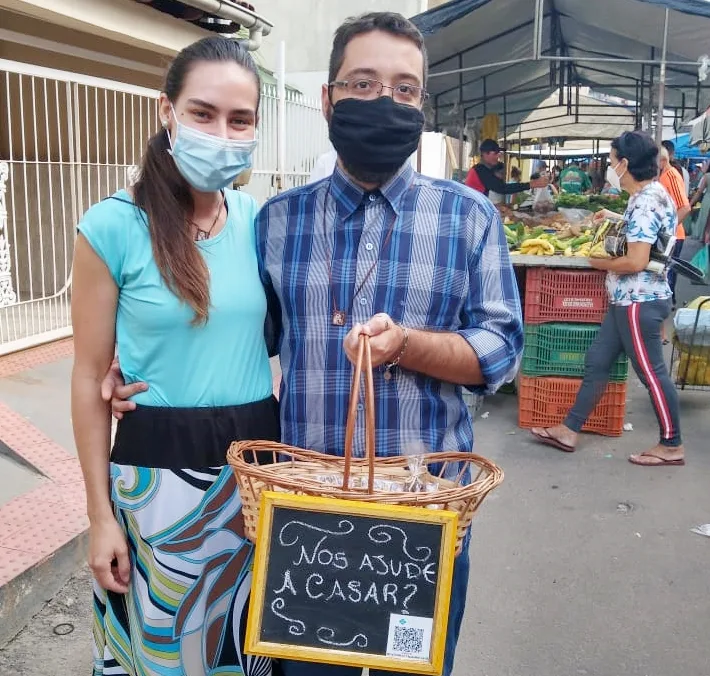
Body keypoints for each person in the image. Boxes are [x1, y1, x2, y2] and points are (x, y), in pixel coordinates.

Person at [105, 12, 524, 676]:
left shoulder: (467, 217)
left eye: (403, 89)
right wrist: (133, 367)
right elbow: (241, 333)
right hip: (303, 526)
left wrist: (406, 344)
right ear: (327, 100)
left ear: (420, 103)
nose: (384, 103)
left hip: (422, 524)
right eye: (362, 85)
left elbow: (500, 352)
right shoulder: (277, 222)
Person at [71, 37, 280, 676]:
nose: (221, 133)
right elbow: (86, 377)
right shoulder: (111, 226)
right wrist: (99, 515)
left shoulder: (261, 223)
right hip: (157, 474)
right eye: (202, 113)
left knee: (246, 648)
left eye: (239, 119)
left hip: (256, 466)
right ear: (168, 112)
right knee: (166, 649)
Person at [531, 131, 684, 467]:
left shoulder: (644, 202)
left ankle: (671, 444)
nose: (611, 167)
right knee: (598, 361)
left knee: (651, 373)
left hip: (638, 301)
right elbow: (647, 239)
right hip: (627, 300)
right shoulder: (649, 195)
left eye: (613, 161)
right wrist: (612, 218)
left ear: (625, 163)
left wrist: (594, 261)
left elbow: (636, 261)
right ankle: (569, 429)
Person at [658, 146, 690, 309]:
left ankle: (667, 305)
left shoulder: (671, 176)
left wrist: (667, 228)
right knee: (666, 272)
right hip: (669, 234)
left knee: (668, 272)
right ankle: (669, 302)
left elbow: (685, 207)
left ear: (663, 161)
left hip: (673, 235)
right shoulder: (663, 175)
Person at [465, 138, 547, 197]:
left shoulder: (483, 168)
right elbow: (502, 188)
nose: (498, 156)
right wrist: (532, 184)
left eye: (499, 153)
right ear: (485, 154)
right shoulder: (480, 170)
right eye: (495, 153)